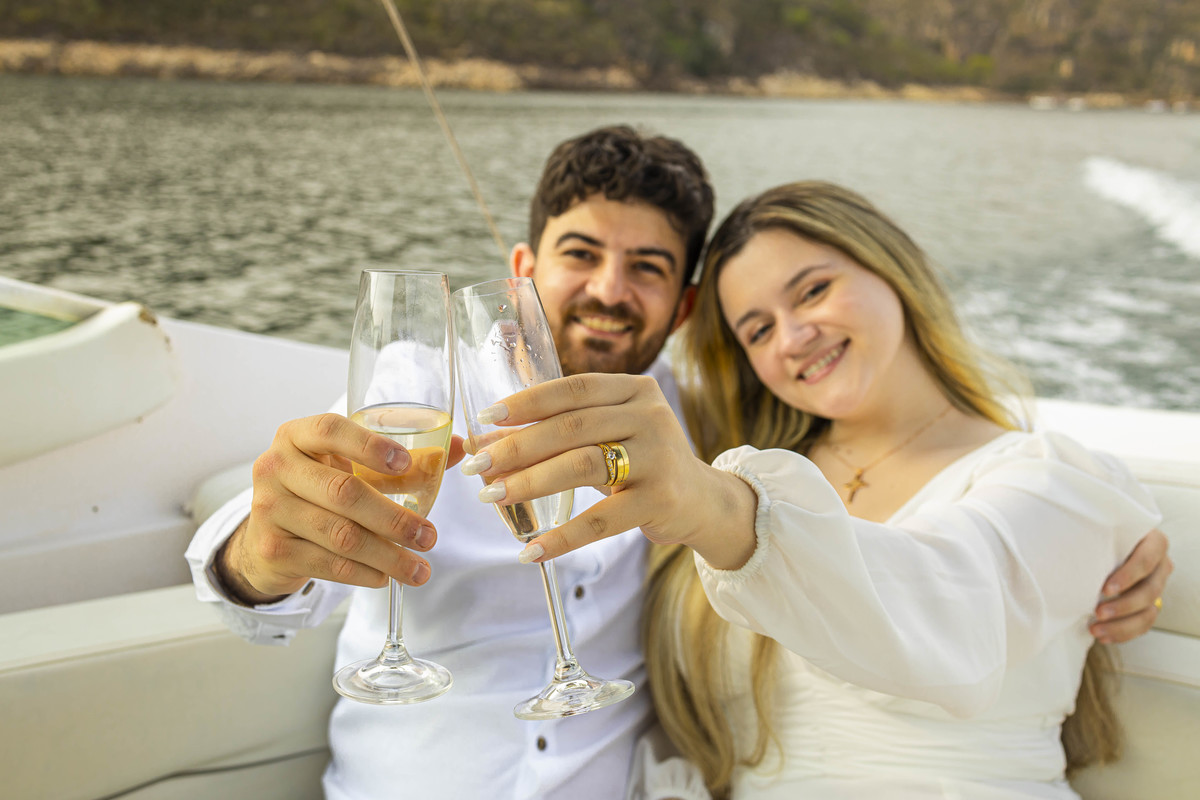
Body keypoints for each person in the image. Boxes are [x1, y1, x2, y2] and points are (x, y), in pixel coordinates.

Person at [184, 129, 1169, 799]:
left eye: (649, 267)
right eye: (580, 254)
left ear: (683, 314)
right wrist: (257, 550)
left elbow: (955, 577)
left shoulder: (713, 443)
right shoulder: (419, 385)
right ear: (525, 270)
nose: (610, 291)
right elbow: (273, 566)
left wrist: (1125, 528)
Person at [463, 181, 1168, 799]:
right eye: (758, 329)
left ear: (891, 269)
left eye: (813, 291)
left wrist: (717, 509)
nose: (794, 337)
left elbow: (946, 604)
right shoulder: (742, 456)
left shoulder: (1055, 481)